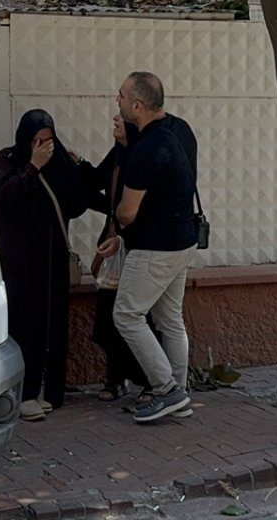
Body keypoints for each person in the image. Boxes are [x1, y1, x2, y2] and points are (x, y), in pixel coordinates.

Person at [0, 109, 90, 422]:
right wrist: (33, 167)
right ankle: (26, 393)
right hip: (20, 261)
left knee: (53, 324)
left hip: (52, 258)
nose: (43, 146)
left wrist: (72, 167)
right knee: (25, 324)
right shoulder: (7, 160)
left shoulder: (59, 163)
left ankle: (50, 391)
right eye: (35, 140)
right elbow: (5, 197)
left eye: (47, 140)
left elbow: (77, 203)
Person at [105, 72, 198, 423]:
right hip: (183, 240)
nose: (117, 100)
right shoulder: (181, 130)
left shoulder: (146, 149)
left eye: (122, 96)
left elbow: (127, 212)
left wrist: (117, 219)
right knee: (169, 317)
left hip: (154, 248)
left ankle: (166, 389)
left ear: (138, 105)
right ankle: (180, 392)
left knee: (126, 315)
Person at [85, 115, 158, 404]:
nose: (114, 119)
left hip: (141, 246)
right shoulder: (117, 155)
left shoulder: (143, 157)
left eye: (121, 116)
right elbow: (96, 183)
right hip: (114, 245)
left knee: (141, 315)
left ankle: (150, 381)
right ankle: (115, 378)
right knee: (109, 314)